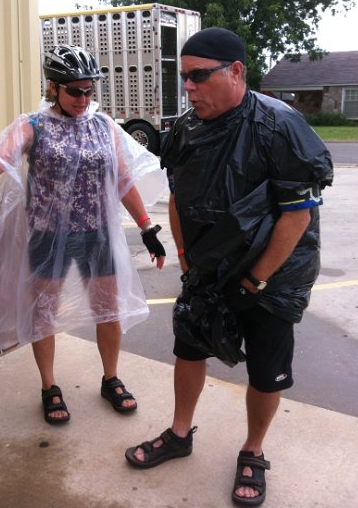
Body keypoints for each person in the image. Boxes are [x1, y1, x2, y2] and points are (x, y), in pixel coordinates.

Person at [124, 27, 333, 506]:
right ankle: (180, 433)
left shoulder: (279, 126)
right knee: (189, 348)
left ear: (235, 71)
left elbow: (297, 216)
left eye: (199, 76)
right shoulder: (186, 128)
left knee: (266, 369)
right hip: (207, 268)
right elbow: (178, 196)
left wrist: (256, 279)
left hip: (272, 276)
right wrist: (184, 256)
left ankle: (253, 450)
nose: (188, 87)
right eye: (184, 78)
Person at [0, 44, 167, 425]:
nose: (83, 98)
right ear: (53, 87)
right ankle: (49, 387)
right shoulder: (33, 125)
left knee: (109, 311)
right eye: (75, 90)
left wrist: (147, 227)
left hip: (97, 233)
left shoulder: (103, 126)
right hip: (48, 237)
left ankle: (111, 378)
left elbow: (122, 179)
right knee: (43, 314)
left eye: (89, 90)